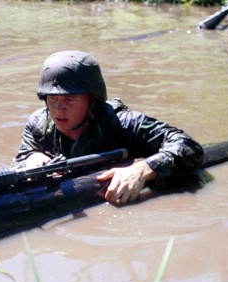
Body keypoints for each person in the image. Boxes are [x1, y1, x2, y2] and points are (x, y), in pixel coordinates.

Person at [13, 51, 204, 205]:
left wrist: (143, 169)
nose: (58, 109)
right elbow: (21, 158)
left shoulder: (124, 123)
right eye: (52, 99)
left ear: (92, 100)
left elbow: (189, 146)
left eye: (69, 99)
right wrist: (31, 157)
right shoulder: (39, 125)